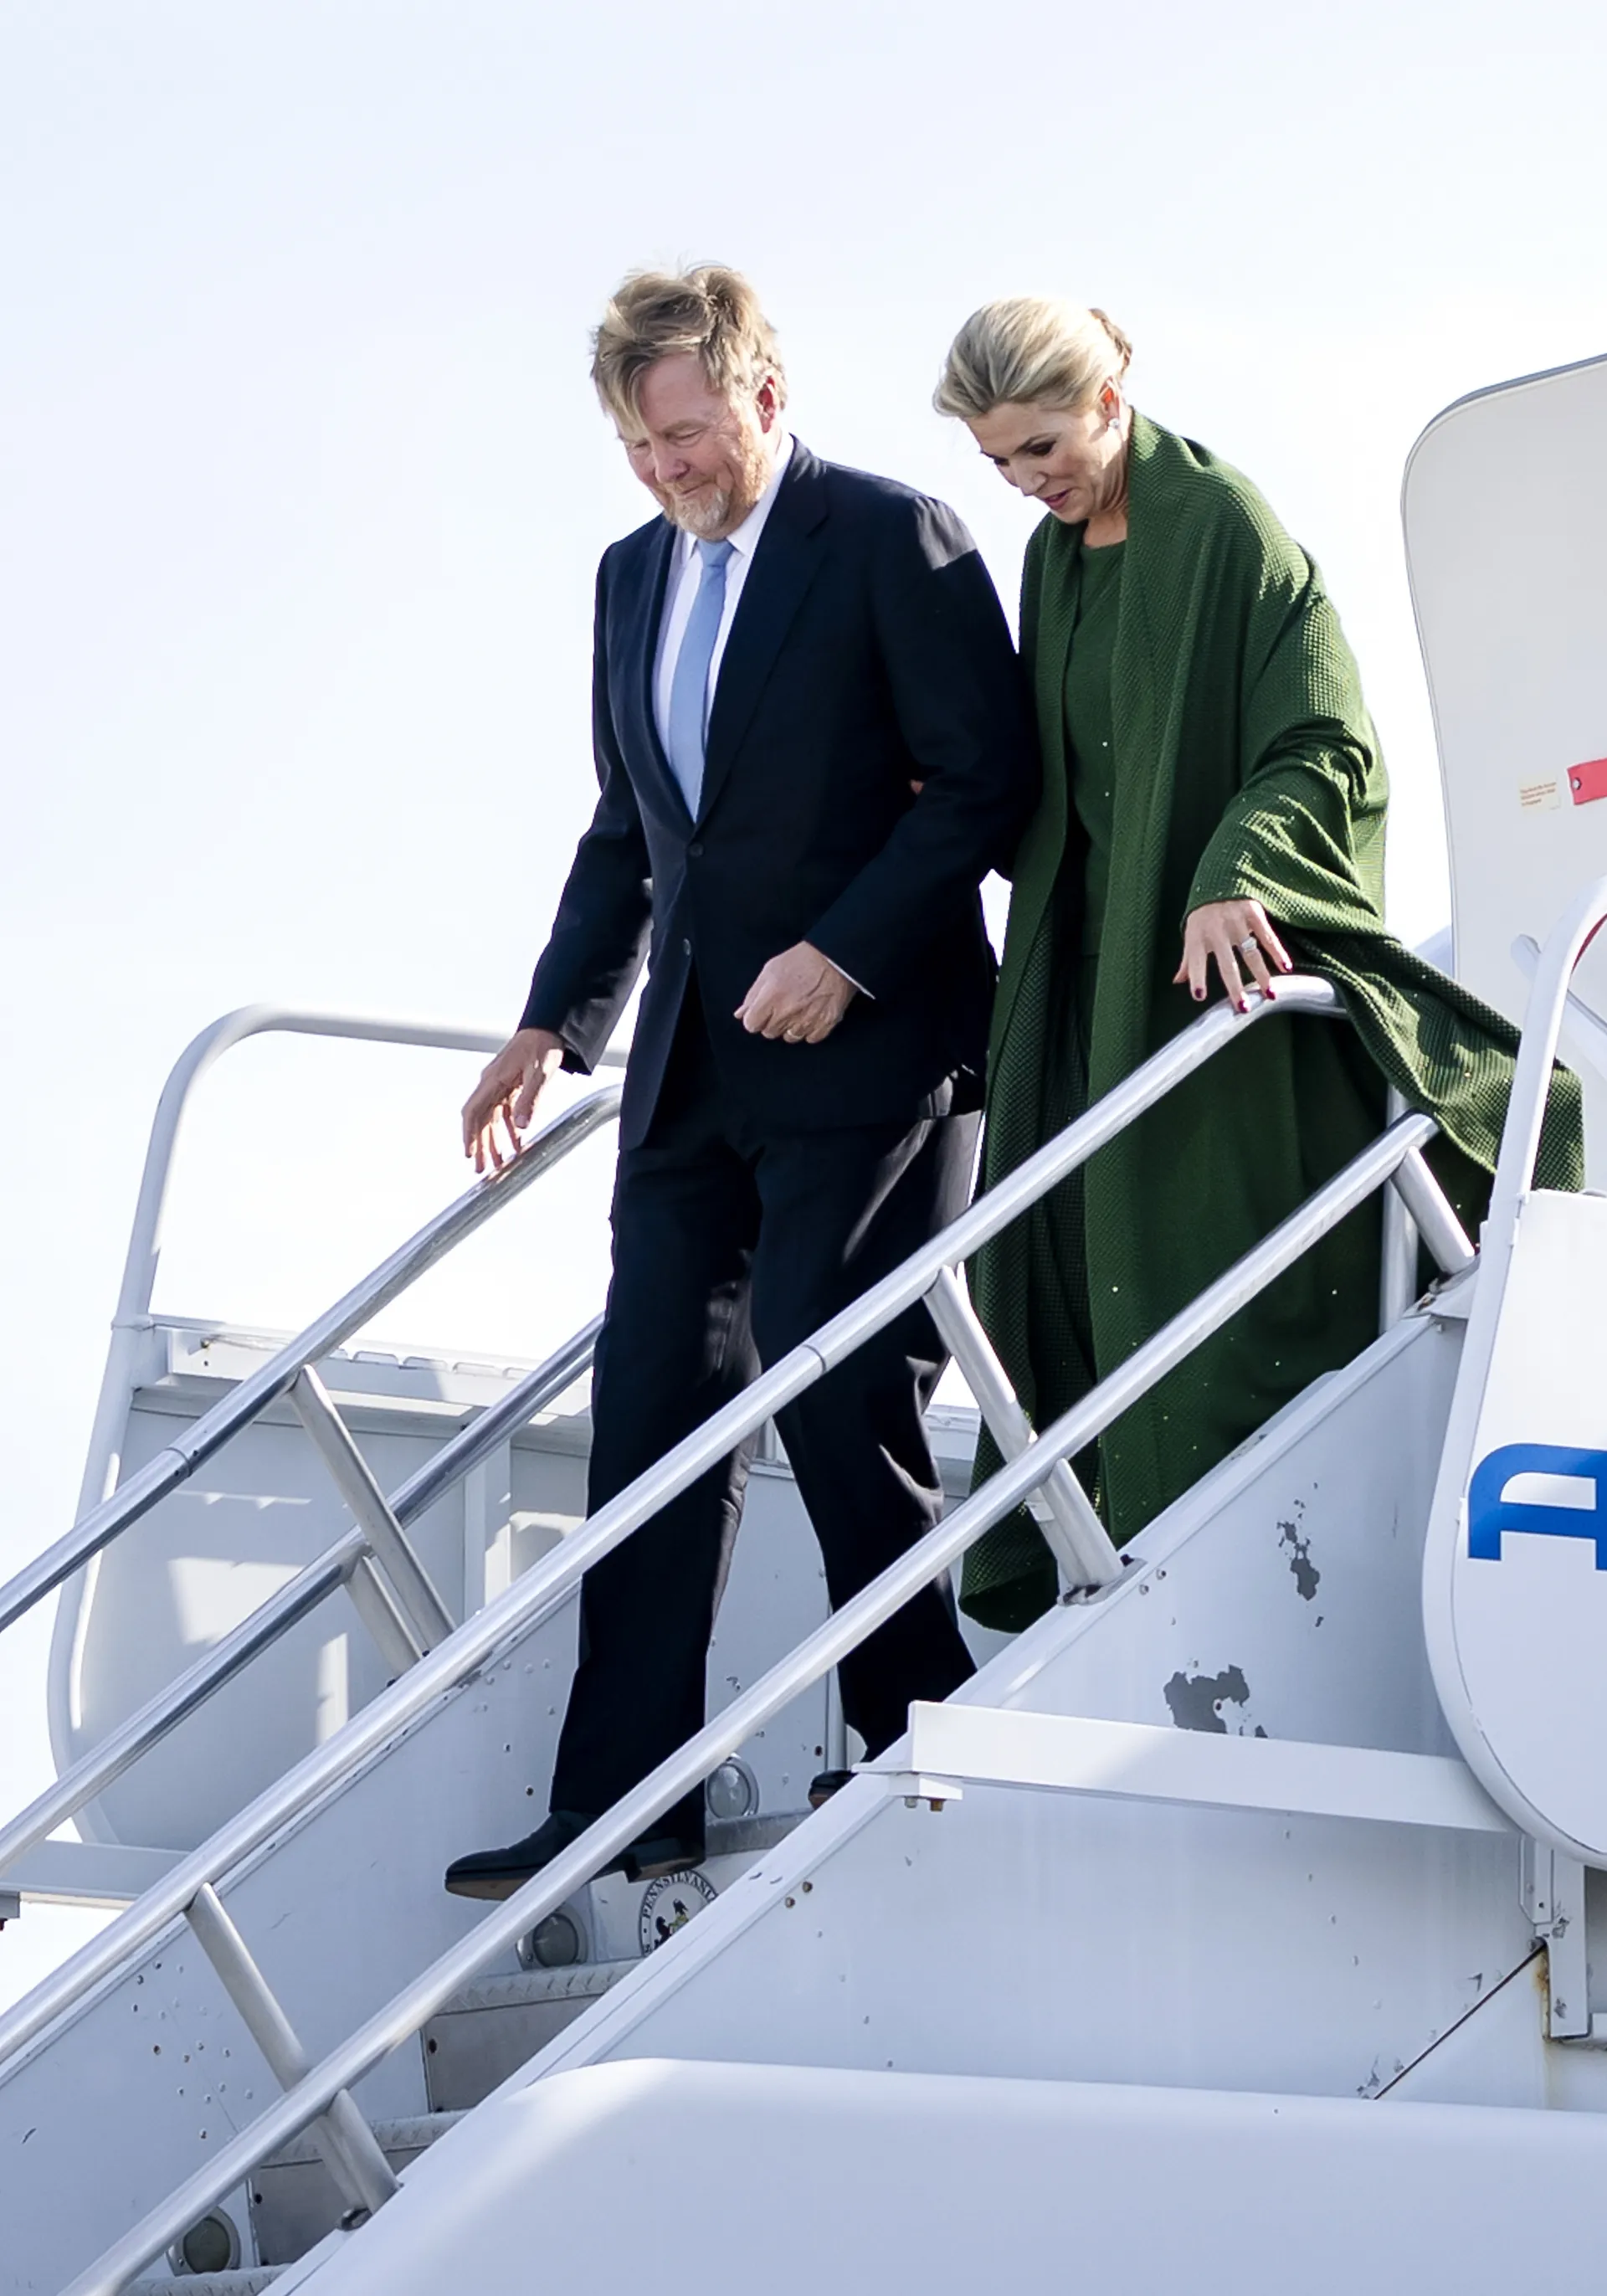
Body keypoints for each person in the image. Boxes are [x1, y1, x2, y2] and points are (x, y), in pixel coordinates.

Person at [444, 268, 1035, 1898]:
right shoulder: (630, 579)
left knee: (843, 1389)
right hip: (690, 1077)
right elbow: (632, 827)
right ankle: (627, 1805)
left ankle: (910, 1734)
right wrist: (555, 1020)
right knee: (645, 1417)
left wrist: (843, 949)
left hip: (878, 1051)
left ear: (768, 394)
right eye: (642, 443)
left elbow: (983, 784)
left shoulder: (894, 541)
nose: (667, 467)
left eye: (690, 432)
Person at [929, 299, 1578, 1630]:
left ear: (1110, 400)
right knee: (1061, 1265)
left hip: (1201, 983)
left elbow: (1329, 739)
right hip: (1083, 983)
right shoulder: (1053, 560)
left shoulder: (1221, 522)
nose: (1027, 481)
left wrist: (1237, 874)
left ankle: (1222, 1608)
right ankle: (1099, 1584)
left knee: (1197, 1281)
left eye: (1043, 446)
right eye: (1000, 463)